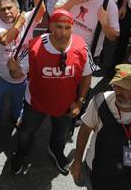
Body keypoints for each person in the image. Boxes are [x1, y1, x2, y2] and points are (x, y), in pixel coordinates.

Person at [10, 9, 94, 175]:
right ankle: (21, 153)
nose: (63, 33)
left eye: (67, 28)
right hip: (35, 103)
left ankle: (56, 151)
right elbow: (18, 74)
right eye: (58, 27)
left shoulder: (82, 47)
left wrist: (80, 101)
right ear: (50, 26)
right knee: (26, 133)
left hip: (66, 105)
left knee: (61, 134)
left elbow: (87, 76)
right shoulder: (33, 46)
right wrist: (13, 69)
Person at [0, 0, 46, 125]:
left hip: (22, 74)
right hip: (0, 73)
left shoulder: (25, 17)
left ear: (17, 8)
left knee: (19, 100)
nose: (6, 12)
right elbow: (5, 40)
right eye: (2, 9)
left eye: (9, 8)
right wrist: (19, 23)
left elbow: (41, 10)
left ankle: (16, 116)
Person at [53, 0, 120, 54]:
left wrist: (105, 23)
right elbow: (55, 13)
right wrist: (71, 2)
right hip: (63, 47)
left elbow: (113, 36)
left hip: (86, 54)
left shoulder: (109, 5)